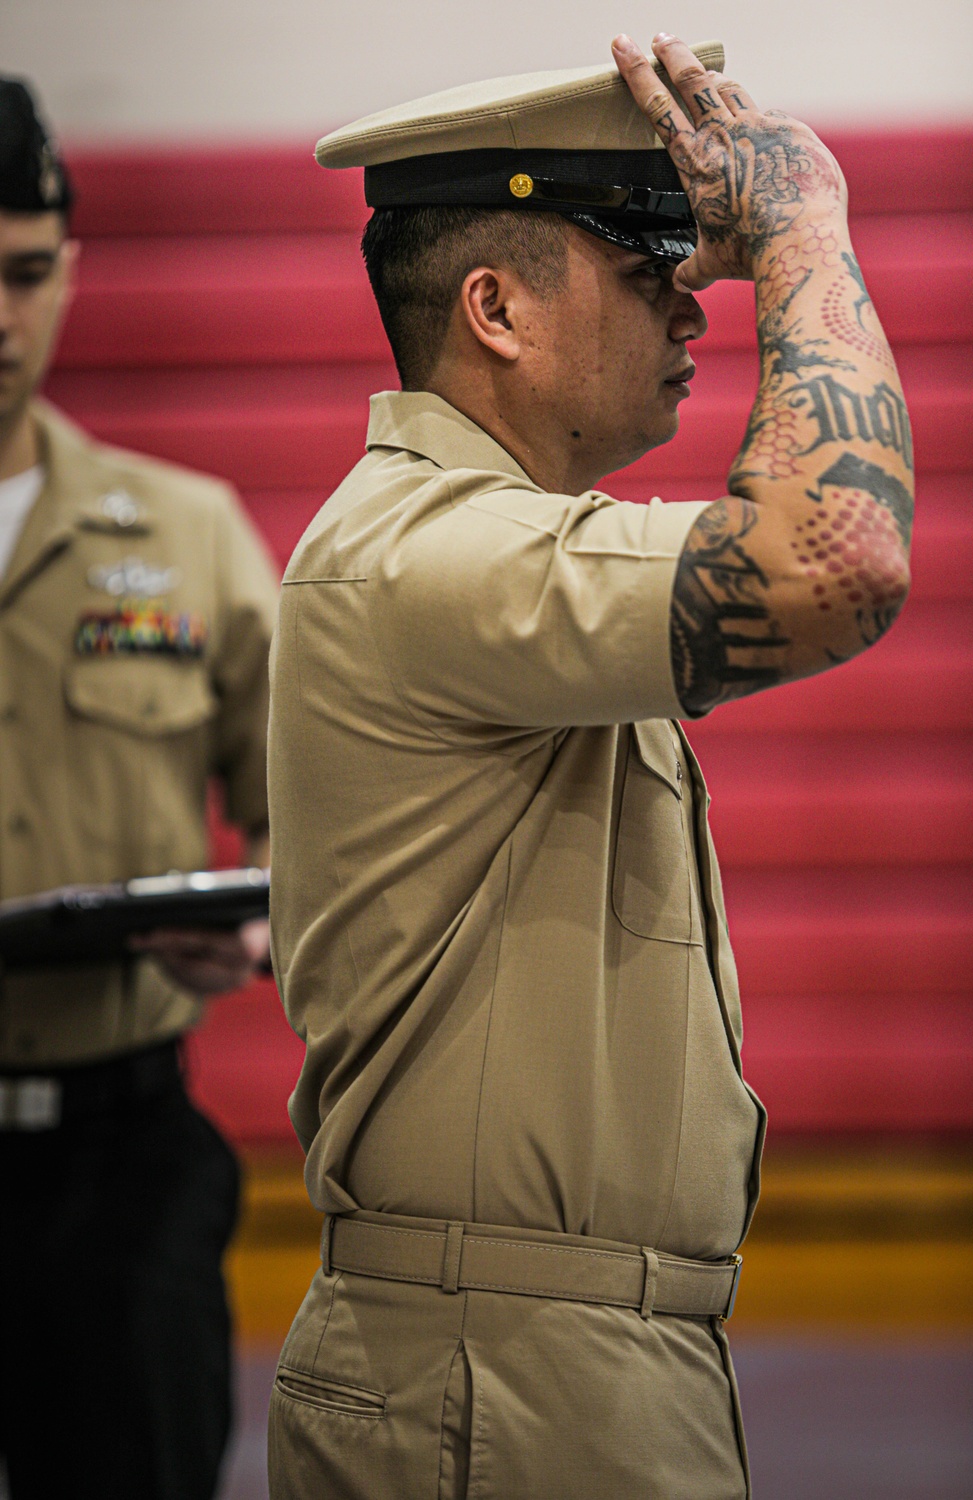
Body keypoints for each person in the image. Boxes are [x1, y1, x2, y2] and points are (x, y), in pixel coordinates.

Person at [267, 33, 913, 1500]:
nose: (690, 300)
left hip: (557, 1358)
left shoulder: (490, 545)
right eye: (643, 262)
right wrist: (806, 225)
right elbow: (840, 560)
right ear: (493, 307)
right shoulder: (428, 552)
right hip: (499, 1374)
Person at [0, 79, 278, 1500]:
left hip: (119, 1168)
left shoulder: (188, 536)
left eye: (25, 273)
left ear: (69, 274)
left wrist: (262, 930)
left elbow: (318, 812)